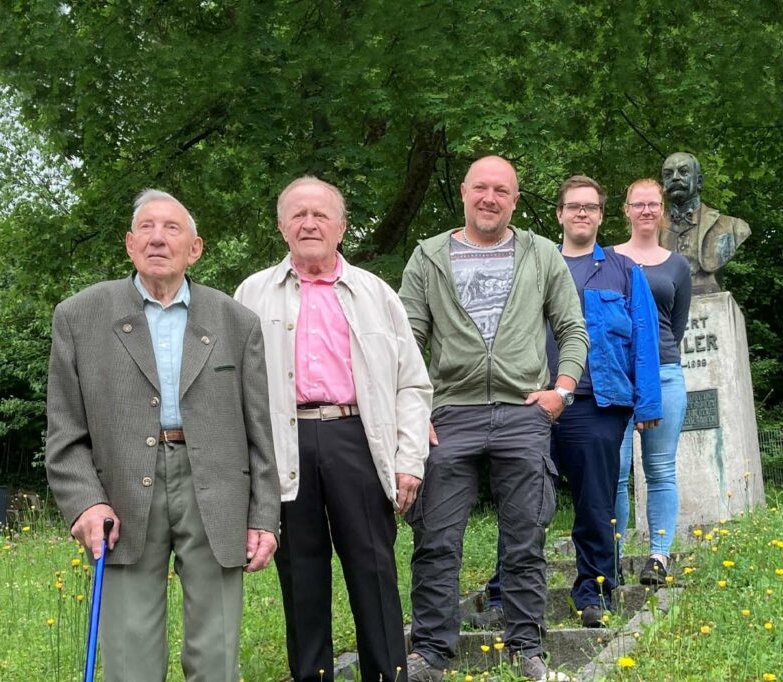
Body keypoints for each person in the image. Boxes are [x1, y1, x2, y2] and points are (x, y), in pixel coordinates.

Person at [45, 190, 280, 681]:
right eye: (146, 228)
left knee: (216, 659)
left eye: (172, 228)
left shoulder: (236, 321)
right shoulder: (79, 316)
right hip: (122, 495)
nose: (157, 238)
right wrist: (87, 504)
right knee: (130, 660)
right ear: (130, 245)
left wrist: (263, 516)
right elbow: (64, 432)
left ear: (195, 248)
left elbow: (260, 429)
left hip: (215, 491)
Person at [400, 156, 589, 682]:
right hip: (450, 414)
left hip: (523, 411)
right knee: (435, 538)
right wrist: (414, 412)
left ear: (515, 198)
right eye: (480, 187)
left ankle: (526, 646)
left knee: (525, 535)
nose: (490, 197)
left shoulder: (541, 253)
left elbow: (573, 329)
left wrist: (562, 391)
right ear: (463, 192)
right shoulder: (428, 256)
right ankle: (432, 650)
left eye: (501, 190)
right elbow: (406, 341)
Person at [235, 177, 432, 682]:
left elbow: (412, 384)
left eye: (321, 215)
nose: (309, 224)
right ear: (281, 227)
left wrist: (409, 460)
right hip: (286, 443)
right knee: (301, 576)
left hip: (357, 439)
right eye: (298, 215)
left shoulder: (376, 293)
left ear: (341, 227)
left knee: (373, 569)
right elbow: (232, 388)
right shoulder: (251, 294)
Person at [474, 175, 662, 629]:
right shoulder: (532, 266)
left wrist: (648, 404)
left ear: (601, 215)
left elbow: (645, 338)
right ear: (558, 214)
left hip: (597, 403)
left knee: (596, 503)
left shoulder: (623, 271)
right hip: (530, 401)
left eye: (591, 207)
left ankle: (595, 592)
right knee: (521, 504)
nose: (582, 213)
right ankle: (503, 596)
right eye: (573, 206)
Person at [613, 179, 693, 585]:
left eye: (653, 204)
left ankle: (659, 557)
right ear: (625, 210)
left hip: (663, 373)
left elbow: (674, 326)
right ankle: (610, 556)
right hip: (616, 377)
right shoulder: (608, 259)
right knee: (615, 471)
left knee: (660, 469)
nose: (646, 211)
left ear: (662, 211)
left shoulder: (678, 265)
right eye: (638, 204)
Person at [659, 151, 750, 295]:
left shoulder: (732, 226)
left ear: (699, 181)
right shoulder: (653, 230)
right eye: (668, 174)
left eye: (683, 172)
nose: (675, 178)